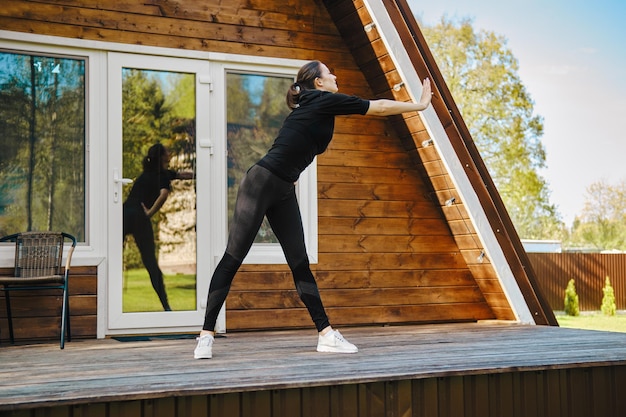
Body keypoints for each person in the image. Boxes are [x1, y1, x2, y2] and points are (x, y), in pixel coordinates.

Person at [194, 60, 433, 359]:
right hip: (260, 182)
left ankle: (326, 335)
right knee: (233, 257)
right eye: (328, 73)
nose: (335, 75)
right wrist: (419, 106)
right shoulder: (322, 99)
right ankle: (205, 336)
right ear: (318, 83)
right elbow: (380, 107)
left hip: (283, 188)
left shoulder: (316, 102)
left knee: (300, 263)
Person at [123, 143, 193, 311]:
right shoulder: (162, 176)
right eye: (168, 151)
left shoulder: (149, 174)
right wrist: (150, 213)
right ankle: (166, 307)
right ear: (162, 156)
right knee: (150, 263)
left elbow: (182, 175)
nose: (170, 153)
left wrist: (199, 173)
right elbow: (163, 194)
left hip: (124, 214)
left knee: (112, 259)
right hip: (139, 217)